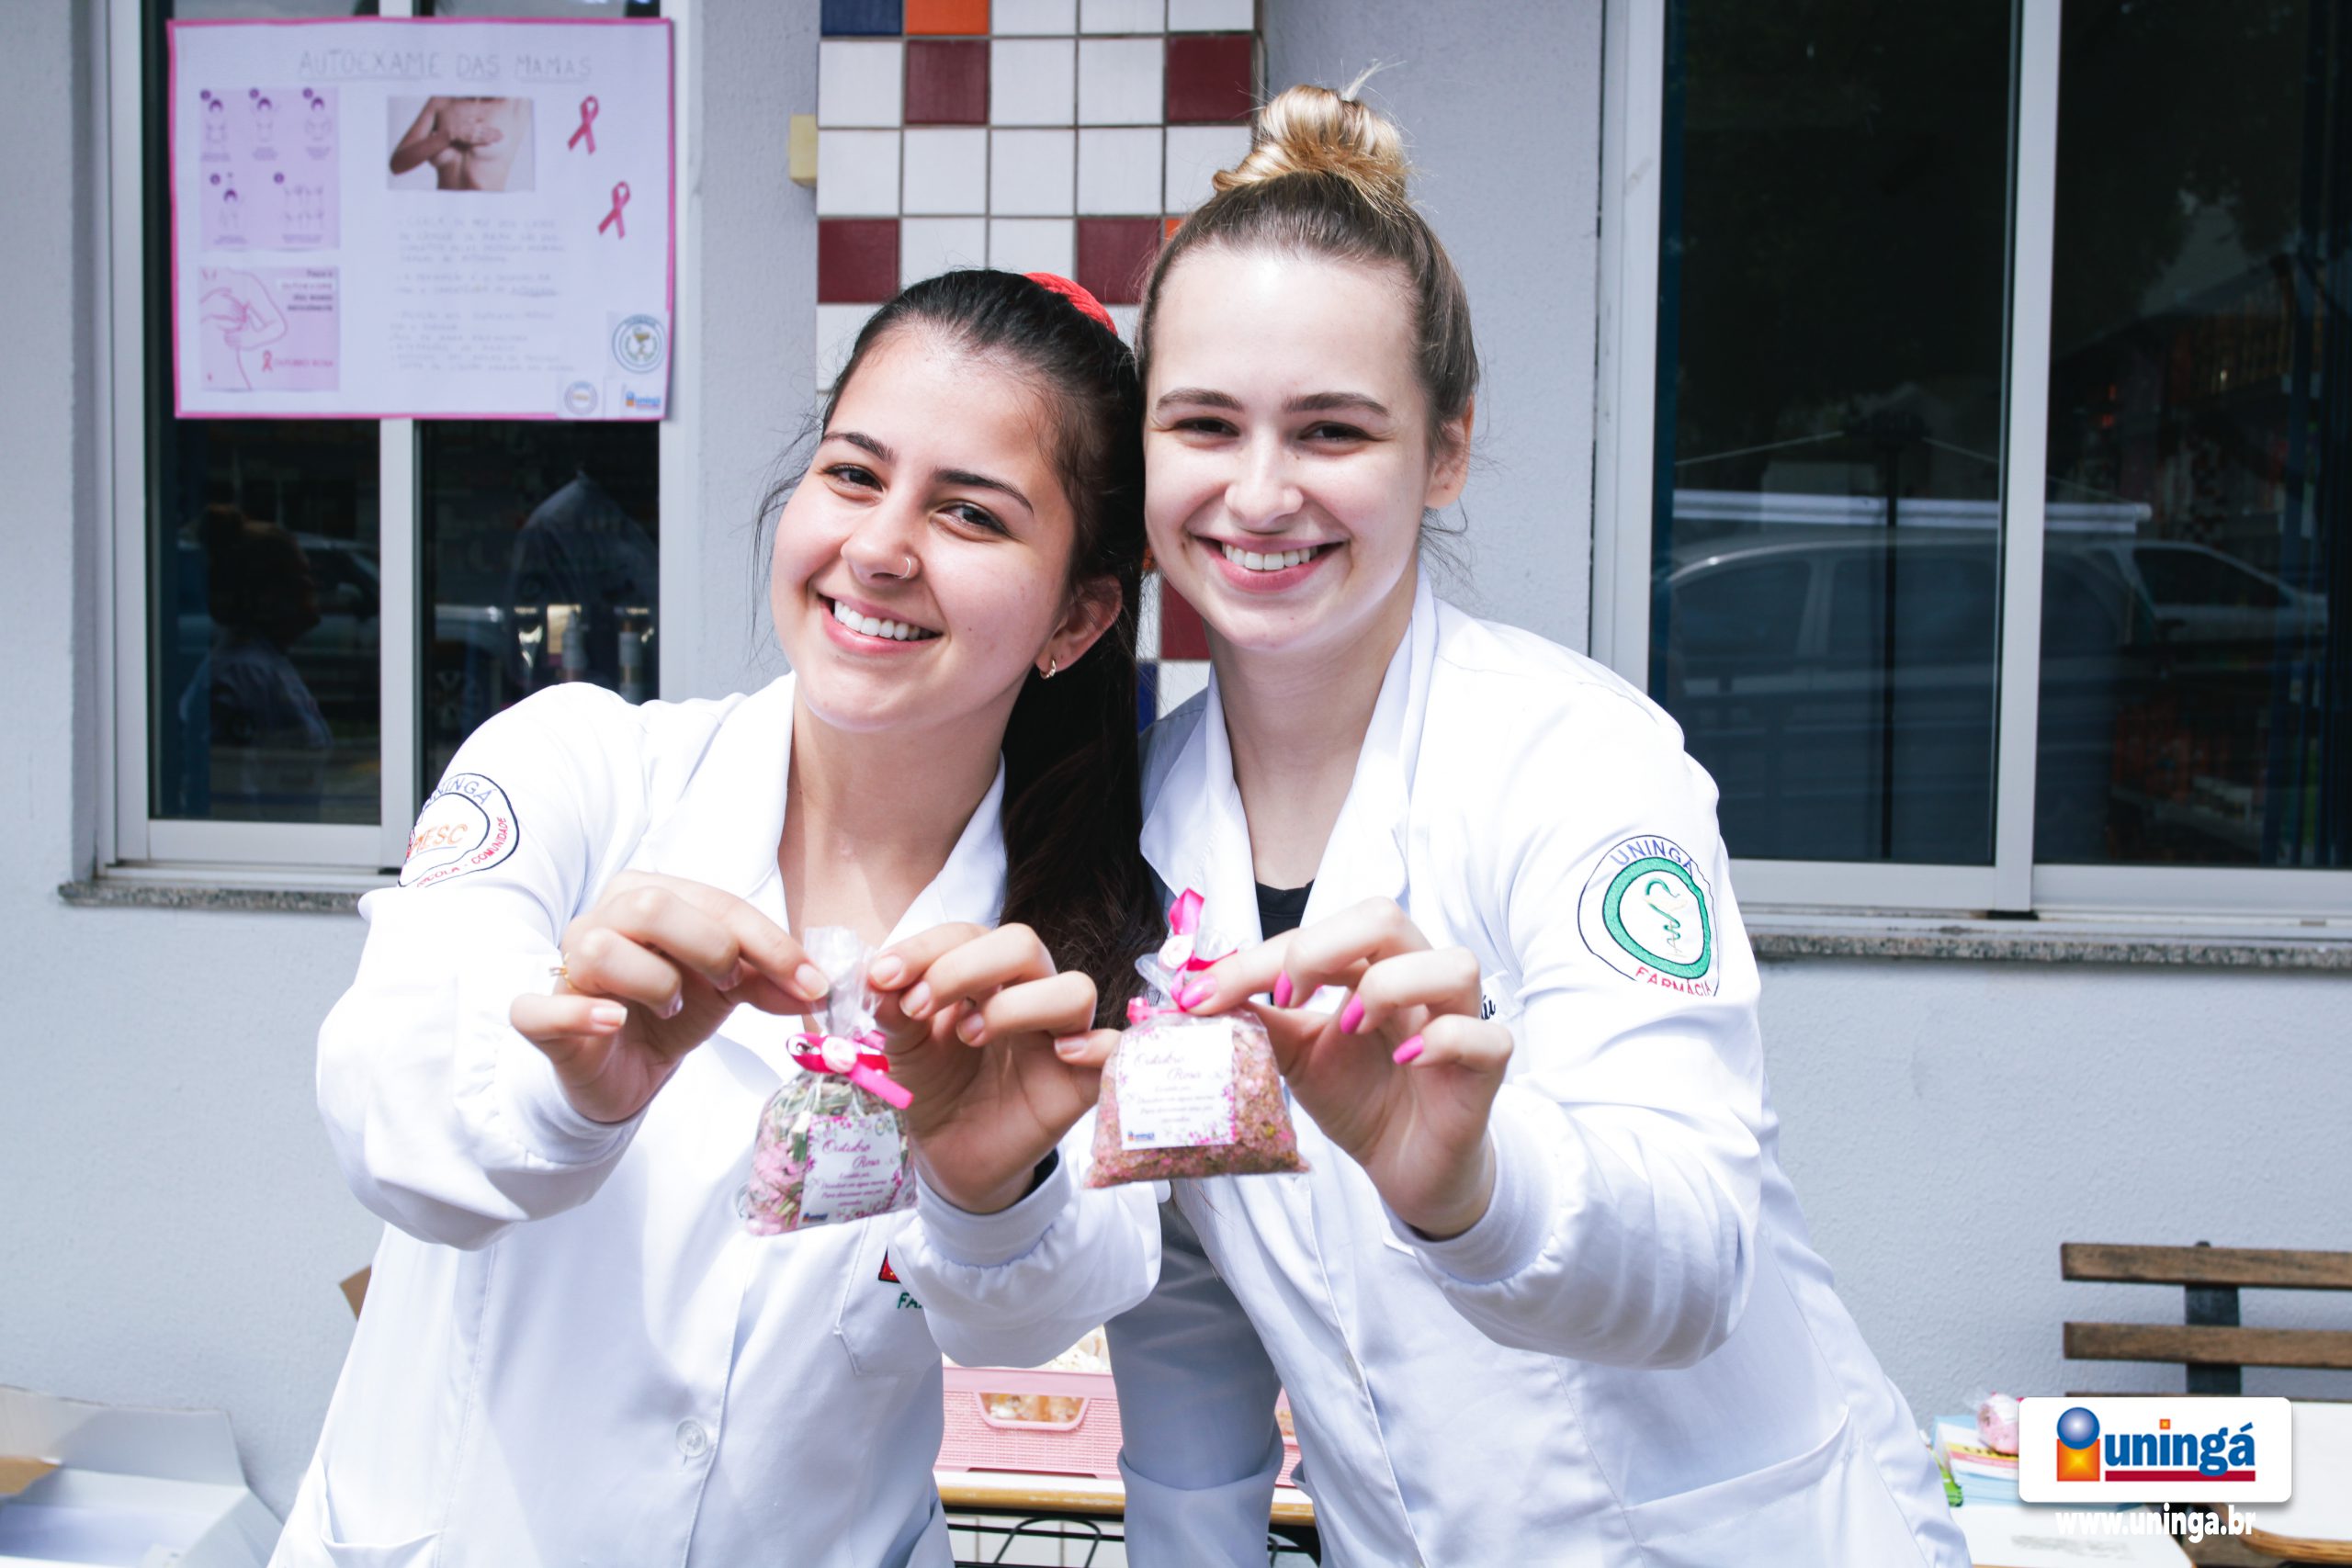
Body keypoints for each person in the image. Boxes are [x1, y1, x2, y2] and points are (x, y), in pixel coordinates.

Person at [894, 86, 1973, 1567]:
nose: (1259, 492)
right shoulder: (1136, 820)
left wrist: (1472, 1186)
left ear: (1445, 450)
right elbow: (1189, 1298)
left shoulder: (1580, 763)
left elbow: (1699, 1255)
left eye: (1332, 429)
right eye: (1203, 423)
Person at [272, 268, 1160, 1568]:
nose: (880, 547)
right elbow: (385, 1106)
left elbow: (1038, 1316)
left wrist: (988, 1186)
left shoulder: (1069, 942)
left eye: (969, 511)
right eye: (853, 474)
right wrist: (566, 1096)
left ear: (1076, 617)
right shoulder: (579, 772)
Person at [390, 96, 527, 192]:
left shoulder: (517, 103)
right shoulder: (440, 101)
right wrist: (449, 135)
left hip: (489, 214)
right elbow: (397, 165)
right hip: (442, 212)